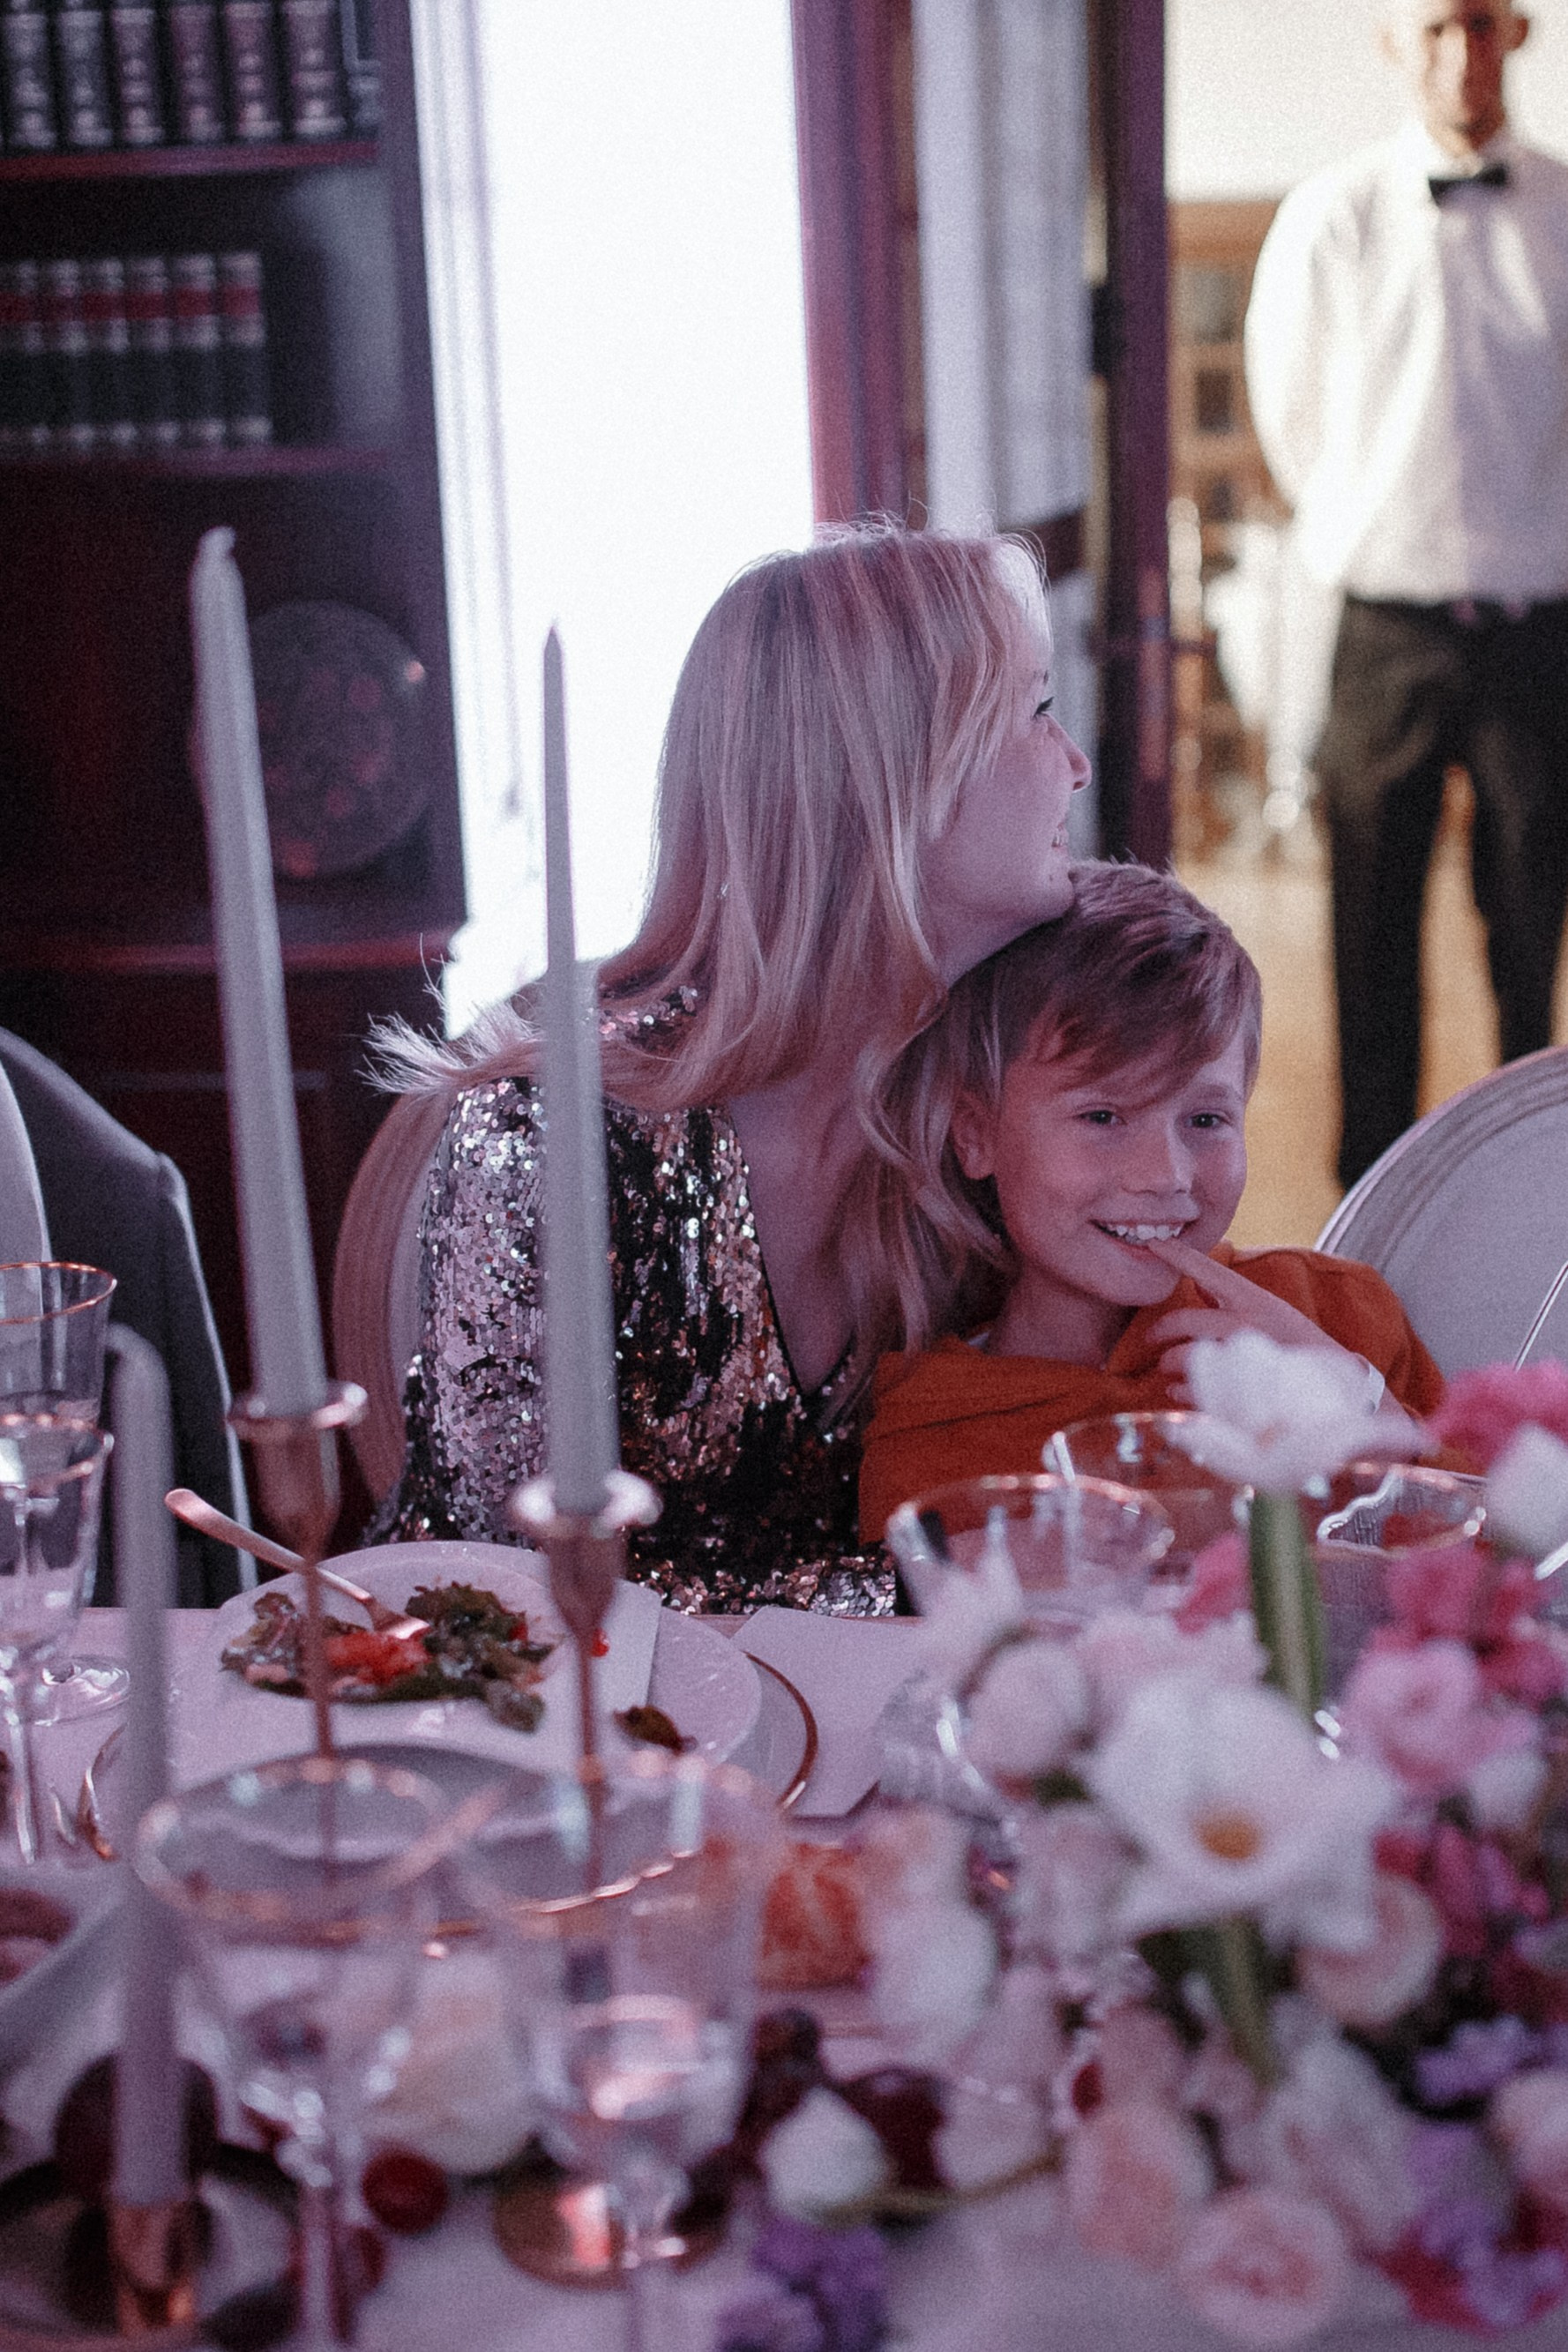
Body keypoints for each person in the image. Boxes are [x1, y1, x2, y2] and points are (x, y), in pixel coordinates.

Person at [375, 525, 1091, 1613]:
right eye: (1035, 710)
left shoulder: (996, 1098)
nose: (1074, 762)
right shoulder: (547, 1138)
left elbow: (1127, 1359)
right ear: (896, 778)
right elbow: (514, 1592)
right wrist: (917, 1591)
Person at [857, 863, 1444, 1541]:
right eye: (1103, 1116)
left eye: (1206, 1119)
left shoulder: (1339, 1314)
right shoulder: (931, 1442)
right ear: (975, 1135)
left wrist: (1362, 1412)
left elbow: (1512, 1563)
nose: (1166, 1175)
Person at [1243, 0, 1568, 1190]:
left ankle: (1533, 1191)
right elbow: (1288, 409)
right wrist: (1374, 526)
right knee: (1369, 928)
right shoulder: (1331, 214)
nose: (1458, 54)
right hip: (1387, 622)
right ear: (1393, 42)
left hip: (1537, 624)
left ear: (1516, 36)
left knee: (1530, 929)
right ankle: (1371, 1203)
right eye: (1434, 28)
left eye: (1480, 27)